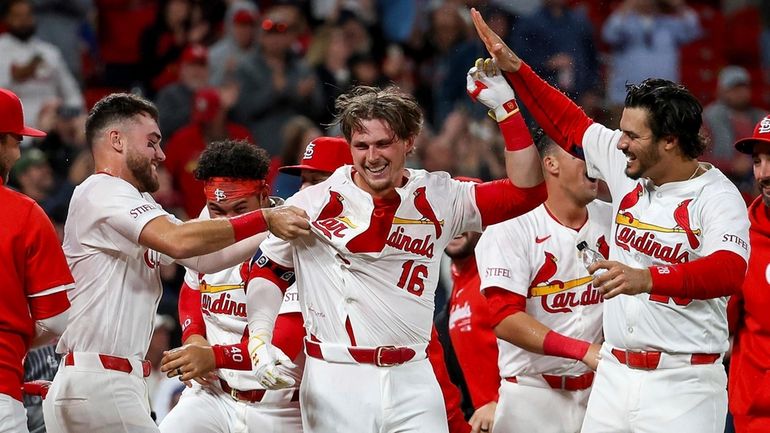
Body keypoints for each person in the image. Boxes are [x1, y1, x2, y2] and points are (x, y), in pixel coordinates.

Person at [469, 8, 750, 433]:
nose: (619, 143)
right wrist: (517, 70)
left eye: (633, 136)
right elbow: (570, 125)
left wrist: (649, 279)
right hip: (614, 376)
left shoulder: (717, 196)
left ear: (671, 141)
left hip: (684, 383)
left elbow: (729, 271)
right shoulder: (626, 166)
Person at [243, 68, 548, 432]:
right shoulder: (312, 202)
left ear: (409, 141)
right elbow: (268, 269)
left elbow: (527, 192)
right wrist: (259, 338)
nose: (372, 157)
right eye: (361, 146)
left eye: (383, 143)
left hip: (413, 378)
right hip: (337, 377)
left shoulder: (442, 194)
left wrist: (507, 109)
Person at [41, 92, 310, 433]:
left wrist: (273, 226)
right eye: (152, 142)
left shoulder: (138, 204)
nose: (161, 154)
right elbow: (180, 242)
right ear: (117, 140)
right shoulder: (102, 191)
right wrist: (268, 220)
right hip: (104, 383)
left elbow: (202, 259)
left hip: (104, 381)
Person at [158, 139, 304, 433]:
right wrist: (194, 337)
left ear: (264, 197)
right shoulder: (205, 225)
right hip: (213, 396)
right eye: (217, 209)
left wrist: (212, 356)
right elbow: (193, 287)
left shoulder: (292, 236)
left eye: (240, 208)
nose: (227, 221)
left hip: (277, 407)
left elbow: (283, 343)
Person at [476, 132, 610, 433]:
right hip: (532, 395)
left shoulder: (615, 220)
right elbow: (505, 318)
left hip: (601, 393)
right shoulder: (512, 225)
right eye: (580, 155)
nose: (593, 164)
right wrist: (581, 350)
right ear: (551, 163)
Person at [0, 87, 73, 433]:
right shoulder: (25, 213)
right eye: (16, 142)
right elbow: (57, 321)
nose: (17, 153)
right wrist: (15, 331)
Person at [443, 177, 500, 433]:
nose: (455, 225)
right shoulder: (460, 281)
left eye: (466, 216)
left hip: (517, 414)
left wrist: (499, 401)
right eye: (448, 215)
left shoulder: (497, 276)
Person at [728, 116, 770, 432]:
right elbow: (723, 327)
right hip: (753, 417)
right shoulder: (739, 237)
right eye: (757, 162)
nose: (764, 174)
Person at [0, 0, 84, 131]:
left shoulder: (49, 52)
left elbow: (73, 94)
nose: (24, 21)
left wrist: (68, 112)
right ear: (7, 18)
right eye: (18, 16)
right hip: (14, 124)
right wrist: (16, 76)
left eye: (27, 15)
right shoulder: (1, 49)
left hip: (53, 122)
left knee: (83, 124)